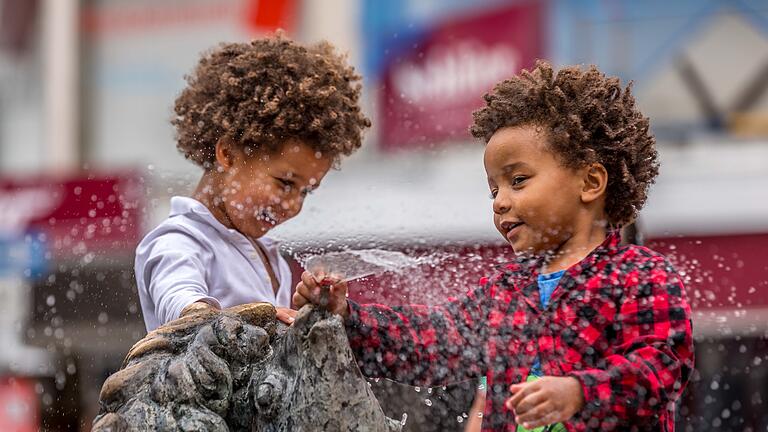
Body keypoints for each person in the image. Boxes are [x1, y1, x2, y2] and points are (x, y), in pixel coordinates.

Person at [294, 61, 694, 431]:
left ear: (590, 183)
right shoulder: (504, 293)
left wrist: (579, 392)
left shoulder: (640, 276)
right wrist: (349, 315)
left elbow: (661, 367)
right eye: (493, 190)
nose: (500, 201)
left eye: (518, 180)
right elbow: (432, 341)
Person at [135, 33, 370, 332]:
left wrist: (306, 319)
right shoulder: (179, 242)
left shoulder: (272, 258)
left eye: (306, 191)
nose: (294, 205)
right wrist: (209, 313)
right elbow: (182, 305)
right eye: (285, 183)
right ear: (229, 154)